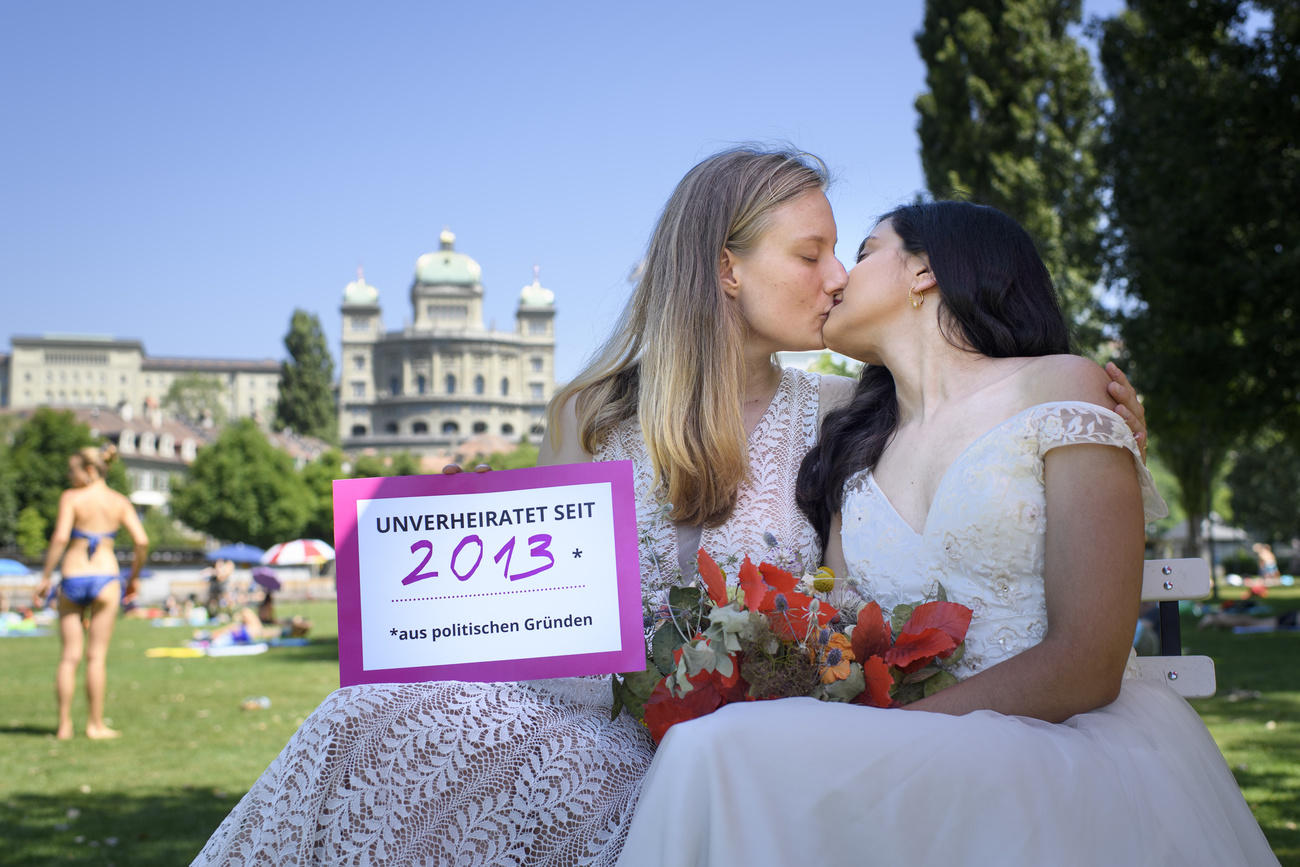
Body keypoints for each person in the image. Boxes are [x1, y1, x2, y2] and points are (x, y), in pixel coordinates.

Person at [195, 149, 1147, 865]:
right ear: (727, 269)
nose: (835, 280)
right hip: (596, 718)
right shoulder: (589, 410)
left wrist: (1092, 411)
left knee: (432, 738)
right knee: (370, 715)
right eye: (811, 253)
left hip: (751, 745)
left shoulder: (851, 409)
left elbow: (981, 426)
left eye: (842, 255)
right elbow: (530, 628)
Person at [618, 202, 1276, 865]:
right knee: (714, 746)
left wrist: (887, 734)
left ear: (924, 270)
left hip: (1062, 746)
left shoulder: (1064, 385)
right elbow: (844, 638)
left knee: (715, 750)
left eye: (866, 250)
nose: (841, 275)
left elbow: (1089, 661)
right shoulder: (853, 449)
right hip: (907, 751)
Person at [32, 444, 148, 740]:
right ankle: (95, 725)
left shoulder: (71, 498)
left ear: (89, 470)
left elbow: (60, 537)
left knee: (69, 656)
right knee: (96, 657)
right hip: (106, 577)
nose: (69, 477)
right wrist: (133, 577)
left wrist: (46, 576)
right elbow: (142, 541)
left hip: (72, 575)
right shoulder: (118, 501)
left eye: (72, 471)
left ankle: (64, 726)